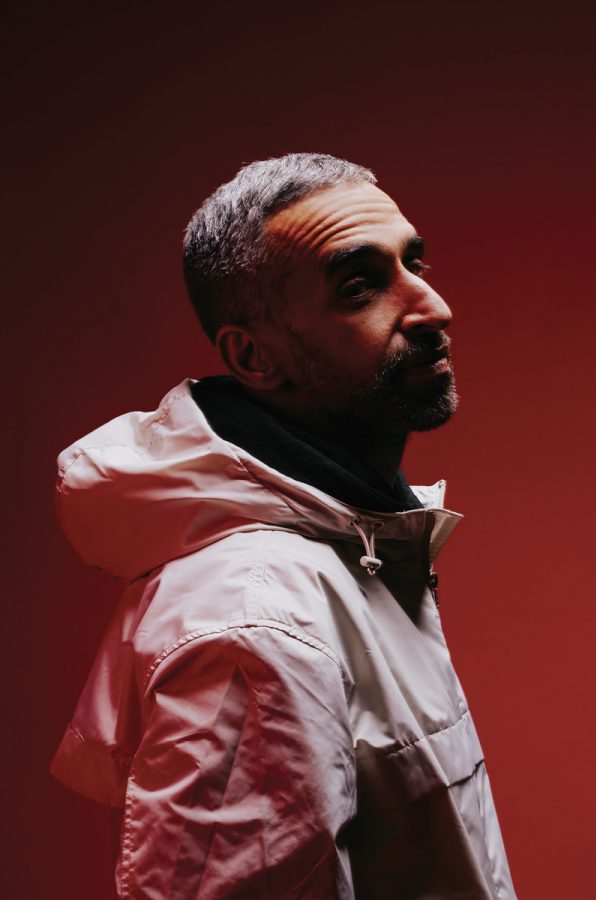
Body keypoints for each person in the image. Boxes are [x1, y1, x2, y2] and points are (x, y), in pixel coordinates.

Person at [51, 153, 515, 899]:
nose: (432, 307)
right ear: (254, 356)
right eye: (360, 287)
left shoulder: (354, 546)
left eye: (414, 262)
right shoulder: (253, 621)